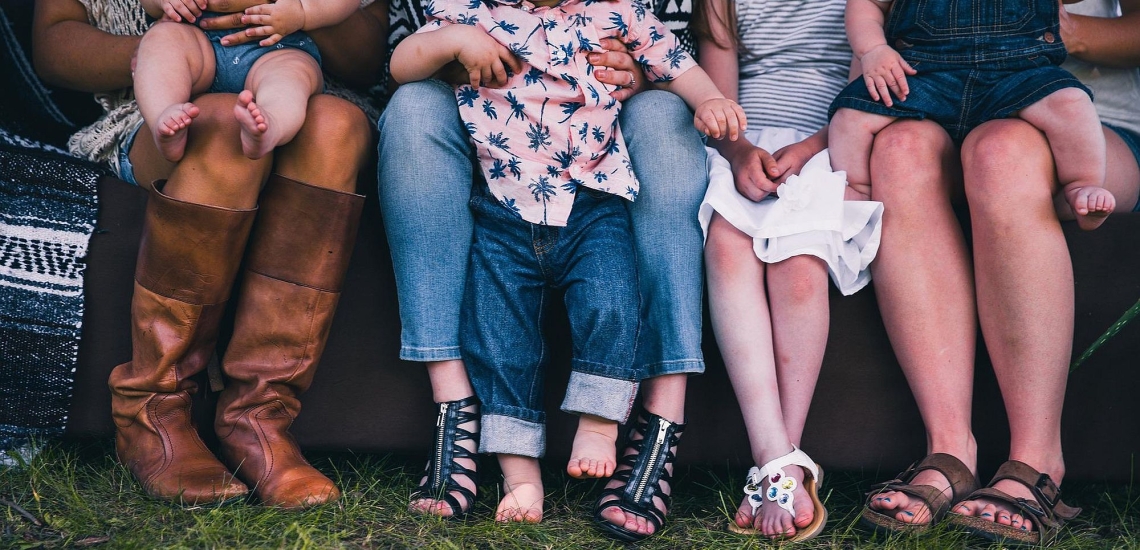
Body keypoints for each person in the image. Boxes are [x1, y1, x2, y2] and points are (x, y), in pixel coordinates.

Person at [389, 0, 744, 524]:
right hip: (501, 205)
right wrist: (452, 41)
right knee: (498, 337)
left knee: (612, 303)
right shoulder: (471, 11)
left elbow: (677, 63)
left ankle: (600, 427)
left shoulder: (617, 11)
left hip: (591, 199)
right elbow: (402, 66)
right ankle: (520, 478)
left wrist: (710, 98)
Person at [32, 0, 386, 507]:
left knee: (333, 127)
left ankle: (259, 419)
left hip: (300, 85)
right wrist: (173, 52)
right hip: (162, 100)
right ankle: (152, 409)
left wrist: (290, 11)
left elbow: (367, 55)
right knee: (216, 123)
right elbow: (53, 44)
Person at [856, 0, 1140, 545]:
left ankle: (1037, 463)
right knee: (898, 150)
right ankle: (948, 449)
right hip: (947, 105)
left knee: (1001, 151)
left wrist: (1050, 30)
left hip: (1092, 126)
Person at [695, 0, 882, 540]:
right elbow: (718, 97)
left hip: (829, 142)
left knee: (798, 263)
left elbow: (862, 91)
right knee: (727, 244)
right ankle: (774, 455)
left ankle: (782, 458)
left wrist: (808, 148)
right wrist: (738, 152)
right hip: (745, 146)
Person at [831, 0, 1115, 230]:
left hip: (1017, 75)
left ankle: (1082, 184)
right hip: (924, 75)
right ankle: (858, 189)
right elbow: (866, 4)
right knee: (851, 116)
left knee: (1071, 102)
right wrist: (873, 49)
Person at [134, 0, 357, 161]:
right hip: (198, 40)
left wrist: (303, 12)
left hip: (276, 47)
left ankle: (272, 124)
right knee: (161, 41)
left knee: (291, 75)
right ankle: (164, 117)